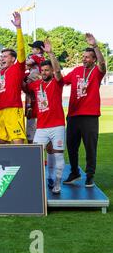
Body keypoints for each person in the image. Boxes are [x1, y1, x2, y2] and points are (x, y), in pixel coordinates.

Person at [62, 33, 107, 188]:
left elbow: (102, 64)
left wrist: (95, 45)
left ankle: (90, 176)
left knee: (90, 148)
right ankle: (75, 172)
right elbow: (61, 81)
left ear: (93, 59)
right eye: (84, 56)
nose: (85, 59)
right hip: (73, 115)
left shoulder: (97, 71)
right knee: (71, 147)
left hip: (90, 116)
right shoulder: (76, 71)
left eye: (88, 57)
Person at [26, 40, 65, 194]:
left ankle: (57, 184)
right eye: (43, 70)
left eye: (47, 70)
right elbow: (24, 85)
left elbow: (57, 71)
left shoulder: (57, 82)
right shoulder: (36, 84)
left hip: (57, 126)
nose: (44, 72)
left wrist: (50, 53)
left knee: (58, 155)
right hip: (41, 127)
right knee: (35, 155)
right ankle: (41, 181)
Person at [0, 12, 27, 144]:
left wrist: (18, 28)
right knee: (1, 141)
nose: (2, 58)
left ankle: (22, 164)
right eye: (1, 56)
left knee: (17, 141)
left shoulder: (17, 68)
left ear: (13, 59)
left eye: (5, 56)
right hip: (0, 110)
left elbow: (21, 50)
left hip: (14, 109)